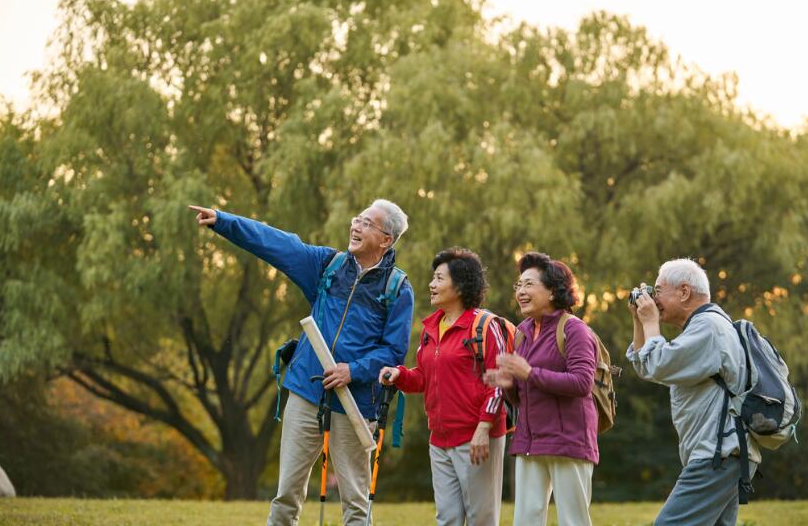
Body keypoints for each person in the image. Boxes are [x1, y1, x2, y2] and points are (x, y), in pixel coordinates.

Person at [188, 200, 414, 526]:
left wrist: (353, 370)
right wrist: (224, 221)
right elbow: (278, 244)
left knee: (355, 502)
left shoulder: (398, 288)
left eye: (367, 223)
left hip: (356, 403)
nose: (356, 226)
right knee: (286, 495)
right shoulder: (328, 265)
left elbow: (393, 351)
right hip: (307, 392)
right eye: (357, 219)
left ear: (386, 240)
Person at [626, 258, 760, 526]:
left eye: (658, 290)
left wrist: (651, 320)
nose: (654, 298)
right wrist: (639, 322)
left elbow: (659, 364)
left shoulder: (708, 327)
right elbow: (648, 367)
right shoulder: (702, 327)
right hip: (721, 454)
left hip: (716, 455)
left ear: (684, 292)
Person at [379, 248, 506, 526]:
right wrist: (398, 375)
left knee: (481, 520)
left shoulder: (483, 326)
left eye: (438, 278)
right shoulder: (431, 329)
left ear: (459, 286)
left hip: (477, 439)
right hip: (439, 440)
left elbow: (500, 383)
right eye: (432, 278)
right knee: (447, 519)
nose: (431, 285)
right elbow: (424, 379)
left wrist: (484, 428)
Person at [484, 251, 598, 526]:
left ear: (552, 291)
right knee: (526, 520)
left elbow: (582, 383)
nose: (520, 292)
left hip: (569, 441)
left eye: (528, 284)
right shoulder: (522, 331)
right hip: (530, 442)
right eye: (518, 286)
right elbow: (524, 397)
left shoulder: (574, 330)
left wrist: (530, 373)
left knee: (574, 521)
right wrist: (510, 385)